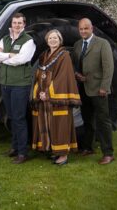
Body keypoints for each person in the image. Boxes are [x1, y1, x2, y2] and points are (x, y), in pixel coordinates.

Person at [31, 30, 81, 165]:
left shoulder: (64, 55)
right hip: (45, 98)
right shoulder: (44, 55)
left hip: (57, 97)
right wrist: (39, 92)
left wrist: (47, 93)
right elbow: (39, 75)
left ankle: (63, 155)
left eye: (55, 38)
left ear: (60, 40)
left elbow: (62, 77)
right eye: (50, 38)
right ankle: (55, 151)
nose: (52, 40)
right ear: (47, 40)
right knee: (49, 124)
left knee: (60, 125)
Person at [0, 12, 35, 164]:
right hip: (6, 83)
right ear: (12, 24)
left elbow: (22, 59)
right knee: (11, 117)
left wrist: (4, 58)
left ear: (24, 24)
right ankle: (15, 148)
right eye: (15, 23)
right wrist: (10, 55)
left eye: (20, 23)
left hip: (20, 85)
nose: (17, 25)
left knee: (19, 118)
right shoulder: (5, 39)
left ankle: (23, 152)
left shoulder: (28, 41)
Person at [72, 18, 115, 165]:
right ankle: (88, 147)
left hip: (99, 89)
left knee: (103, 121)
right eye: (81, 29)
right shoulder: (77, 45)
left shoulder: (103, 43)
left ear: (92, 28)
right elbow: (76, 65)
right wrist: (77, 74)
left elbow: (109, 67)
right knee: (87, 120)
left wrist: (105, 87)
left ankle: (108, 153)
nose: (83, 31)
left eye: (86, 28)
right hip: (83, 89)